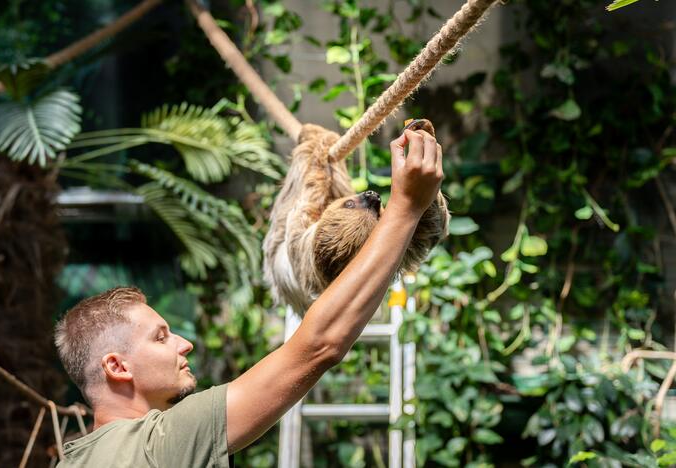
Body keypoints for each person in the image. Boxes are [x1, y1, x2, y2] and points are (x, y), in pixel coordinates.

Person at [53, 127, 444, 467]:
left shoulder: (73, 459)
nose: (185, 344)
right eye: (160, 336)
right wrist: (406, 208)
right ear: (117, 367)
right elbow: (319, 346)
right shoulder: (163, 443)